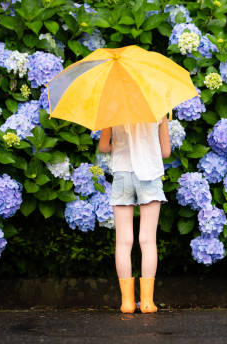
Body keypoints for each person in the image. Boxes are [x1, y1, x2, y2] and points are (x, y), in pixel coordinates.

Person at [98, 115, 171, 314]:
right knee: (147, 240)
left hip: (122, 173)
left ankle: (127, 303)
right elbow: (165, 152)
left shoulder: (113, 109)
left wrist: (120, 147)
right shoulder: (158, 110)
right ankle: (147, 302)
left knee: (123, 241)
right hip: (149, 173)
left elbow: (103, 147)